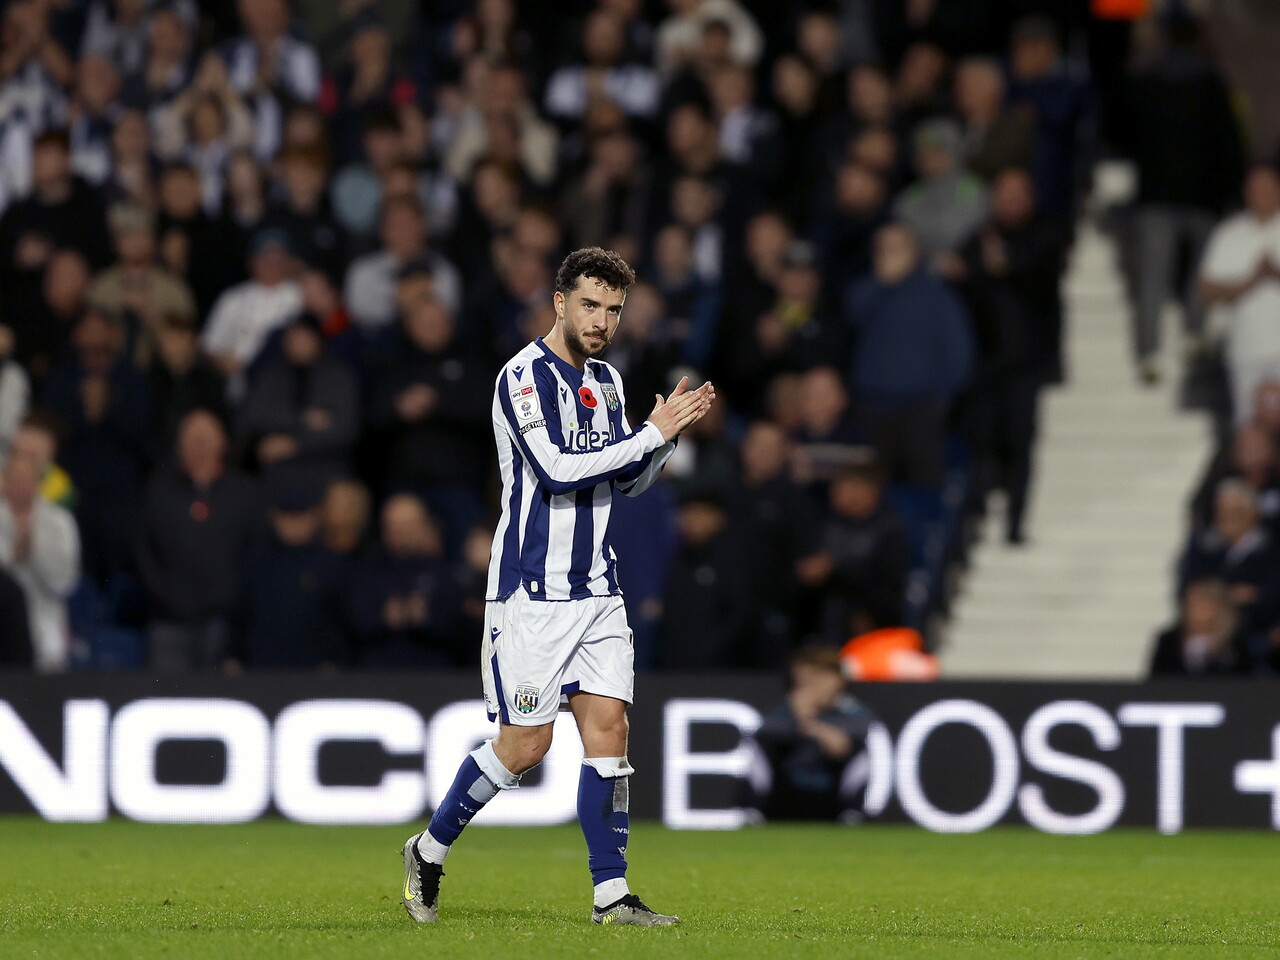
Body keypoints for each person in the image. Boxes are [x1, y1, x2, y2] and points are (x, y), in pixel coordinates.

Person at [399, 247, 715, 926]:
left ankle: (611, 895)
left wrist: (664, 440)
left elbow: (626, 480)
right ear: (560, 303)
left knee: (610, 727)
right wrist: (649, 434)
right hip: (532, 592)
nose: (602, 321)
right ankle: (428, 849)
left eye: (614, 310)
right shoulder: (521, 378)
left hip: (598, 587)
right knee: (525, 748)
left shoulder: (608, 381)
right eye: (590, 305)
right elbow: (556, 469)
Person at [746, 645, 877, 822]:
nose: (809, 687)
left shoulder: (852, 711)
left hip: (831, 793)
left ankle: (852, 814)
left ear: (837, 679)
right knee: (759, 745)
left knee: (862, 751)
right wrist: (798, 716)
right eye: (802, 680)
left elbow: (841, 746)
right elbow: (765, 733)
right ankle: (753, 811)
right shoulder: (784, 711)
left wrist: (809, 723)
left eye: (817, 679)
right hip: (786, 791)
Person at [0, 453, 79, 672]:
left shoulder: (60, 521)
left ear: (38, 482)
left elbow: (65, 583)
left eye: (25, 478)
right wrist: (13, 556)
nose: (19, 484)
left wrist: (34, 554)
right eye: (13, 478)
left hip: (45, 620)